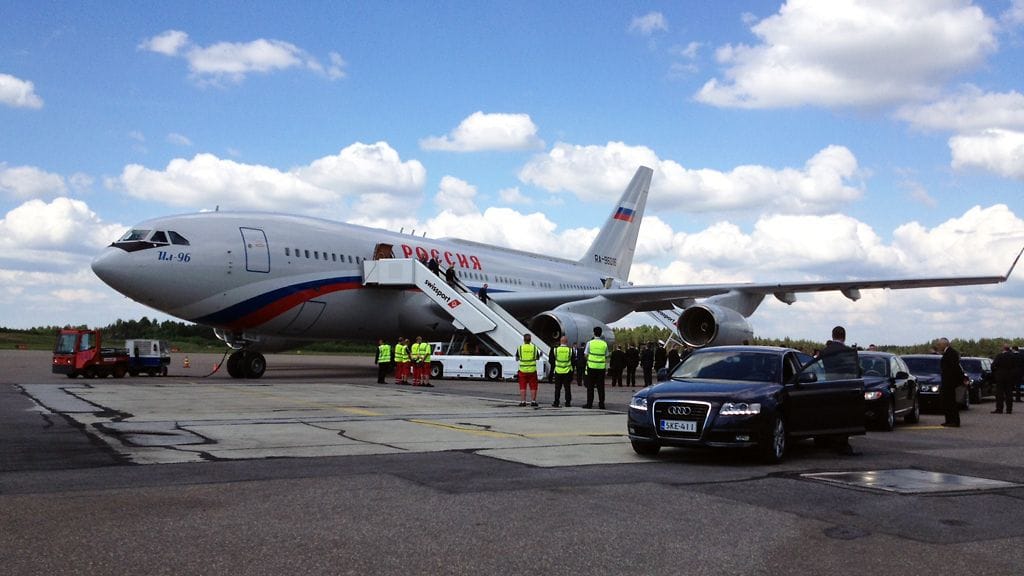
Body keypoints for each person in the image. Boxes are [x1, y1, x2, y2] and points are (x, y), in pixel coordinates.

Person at [936, 337, 967, 427]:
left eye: (940, 344)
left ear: (945, 344)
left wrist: (959, 380)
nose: (938, 346)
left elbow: (954, 368)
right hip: (947, 381)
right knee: (947, 402)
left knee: (951, 402)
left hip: (950, 382)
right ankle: (949, 420)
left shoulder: (951, 353)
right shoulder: (948, 353)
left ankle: (954, 421)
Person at [583, 327, 609, 409]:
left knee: (590, 387)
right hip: (601, 368)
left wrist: (591, 360)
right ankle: (601, 404)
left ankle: (589, 404)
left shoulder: (590, 343)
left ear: (593, 333)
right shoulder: (604, 344)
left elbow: (585, 354)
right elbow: (606, 355)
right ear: (601, 334)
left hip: (591, 367)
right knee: (601, 387)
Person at [991, 345, 1020, 414]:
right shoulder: (1012, 357)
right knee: (1009, 393)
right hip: (1010, 377)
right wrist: (1013, 375)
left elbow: (993, 366)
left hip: (1000, 377)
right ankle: (1009, 409)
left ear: (1003, 349)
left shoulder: (999, 356)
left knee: (999, 393)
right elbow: (1016, 367)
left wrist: (996, 373)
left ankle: (999, 409)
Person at [516, 334, 542, 407]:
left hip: (522, 370)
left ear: (524, 340)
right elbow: (537, 358)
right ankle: (533, 401)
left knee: (522, 386)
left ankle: (523, 401)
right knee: (533, 386)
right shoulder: (534, 348)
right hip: (532, 370)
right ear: (530, 340)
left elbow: (517, 358)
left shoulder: (520, 348)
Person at [550, 336, 573, 407]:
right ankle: (568, 402)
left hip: (558, 370)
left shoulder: (555, 350)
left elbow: (551, 359)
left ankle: (556, 402)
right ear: (566, 342)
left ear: (560, 341)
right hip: (567, 371)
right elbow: (573, 361)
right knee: (567, 388)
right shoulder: (570, 350)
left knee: (557, 388)